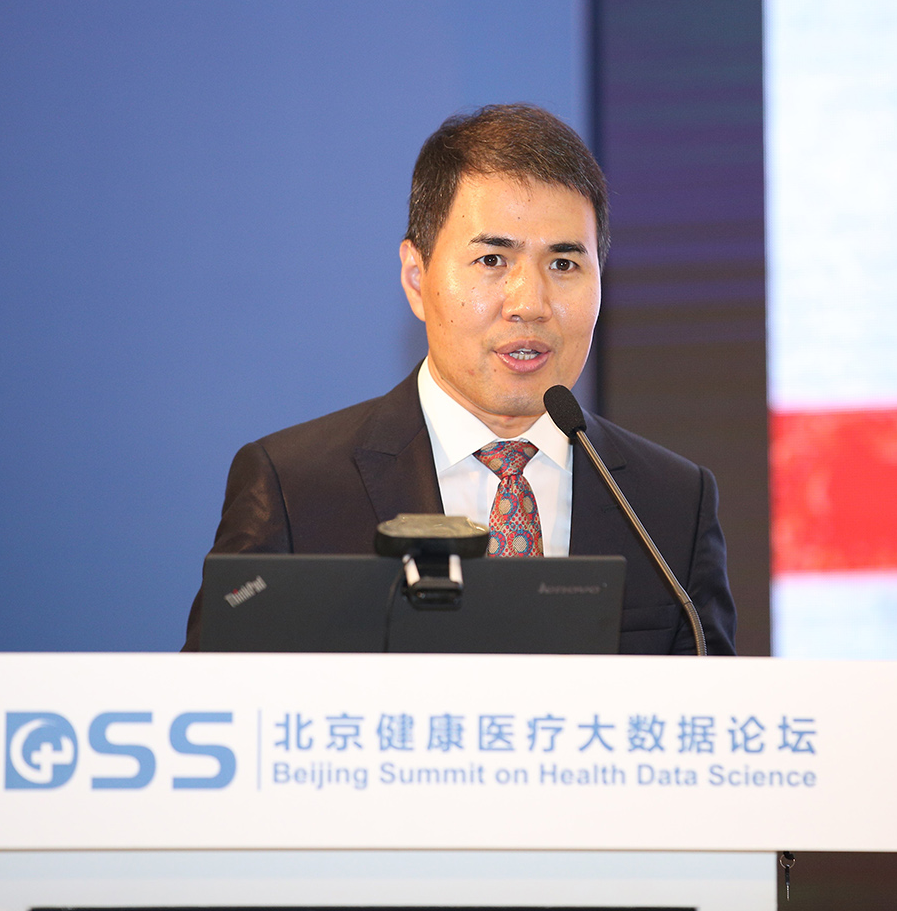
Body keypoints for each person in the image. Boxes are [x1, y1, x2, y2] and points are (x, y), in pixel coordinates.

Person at [182, 104, 735, 654]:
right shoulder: (294, 489)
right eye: (492, 260)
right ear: (416, 278)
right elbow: (213, 701)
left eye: (564, 264)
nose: (530, 304)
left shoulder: (671, 504)